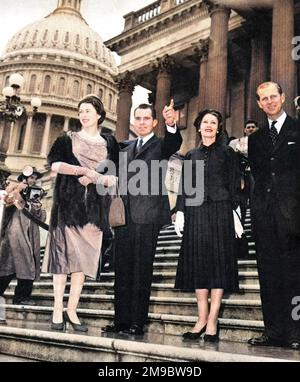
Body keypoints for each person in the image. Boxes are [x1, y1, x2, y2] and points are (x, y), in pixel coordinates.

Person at [102, 101, 182, 336]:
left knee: (142, 269)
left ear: (154, 122)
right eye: (138, 118)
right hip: (124, 216)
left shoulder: (161, 145)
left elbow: (174, 142)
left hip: (148, 216)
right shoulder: (124, 147)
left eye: (147, 118)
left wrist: (171, 124)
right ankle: (121, 321)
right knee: (122, 269)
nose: (142, 122)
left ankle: (137, 321)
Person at [42, 94, 119, 332]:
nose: (83, 115)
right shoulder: (67, 139)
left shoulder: (110, 143)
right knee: (62, 258)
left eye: (88, 110)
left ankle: (72, 310)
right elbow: (54, 164)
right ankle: (57, 308)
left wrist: (95, 177)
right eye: (81, 111)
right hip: (67, 206)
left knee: (83, 262)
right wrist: (80, 170)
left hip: (95, 209)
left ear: (99, 115)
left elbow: (114, 177)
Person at [174, 109, 240, 342]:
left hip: (221, 211)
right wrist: (180, 211)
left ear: (219, 127)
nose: (209, 125)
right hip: (196, 213)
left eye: (214, 122)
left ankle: (213, 320)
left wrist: (236, 213)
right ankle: (201, 318)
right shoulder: (191, 155)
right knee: (199, 264)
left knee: (219, 264)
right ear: (199, 127)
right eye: (205, 122)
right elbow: (184, 187)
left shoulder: (228, 153)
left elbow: (234, 185)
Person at [248, 82, 300, 350]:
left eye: (273, 97)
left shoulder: (297, 129)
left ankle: (295, 332)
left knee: (294, 274)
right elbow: (258, 176)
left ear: (282, 97)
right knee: (268, 274)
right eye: (263, 99)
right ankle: (273, 331)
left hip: (292, 216)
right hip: (264, 216)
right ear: (258, 103)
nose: (269, 102)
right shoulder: (255, 139)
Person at [0, 167, 46, 307]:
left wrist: (34, 203)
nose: (32, 180)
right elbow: (6, 203)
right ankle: (17, 296)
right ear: (23, 179)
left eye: (34, 178)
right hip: (15, 233)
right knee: (9, 265)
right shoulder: (14, 191)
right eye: (30, 177)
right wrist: (17, 191)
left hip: (31, 233)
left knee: (28, 263)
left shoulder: (35, 196)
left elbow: (41, 217)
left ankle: (21, 296)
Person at [229, 119, 259, 224]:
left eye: (253, 127)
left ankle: (257, 231)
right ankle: (239, 230)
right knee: (241, 203)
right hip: (241, 175)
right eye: (248, 127)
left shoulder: (264, 142)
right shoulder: (236, 142)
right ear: (244, 130)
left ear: (257, 129)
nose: (251, 129)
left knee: (256, 203)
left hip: (256, 176)